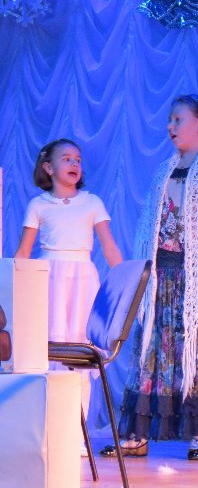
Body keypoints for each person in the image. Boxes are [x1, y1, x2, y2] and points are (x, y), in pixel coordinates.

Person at [105, 94, 198, 460]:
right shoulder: (164, 170)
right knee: (151, 352)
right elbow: (149, 227)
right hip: (162, 277)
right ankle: (137, 435)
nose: (170, 126)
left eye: (178, 119)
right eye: (170, 120)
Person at [15, 138, 123, 435]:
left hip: (82, 283)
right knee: (48, 351)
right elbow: (23, 252)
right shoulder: (39, 205)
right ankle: (49, 432)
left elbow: (109, 247)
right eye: (66, 159)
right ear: (48, 168)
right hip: (49, 280)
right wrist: (13, 290)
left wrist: (124, 285)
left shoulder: (92, 202)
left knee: (80, 352)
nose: (75, 164)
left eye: (78, 159)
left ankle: (76, 435)